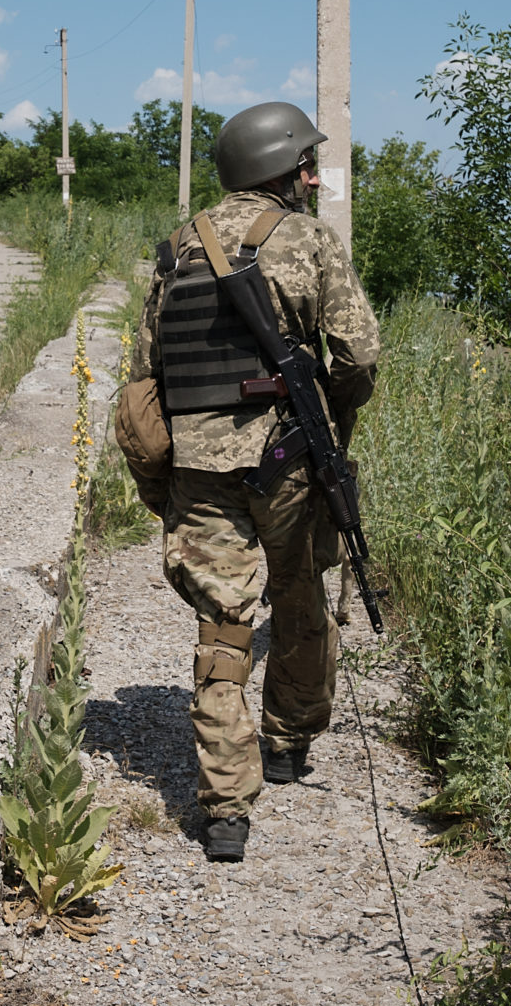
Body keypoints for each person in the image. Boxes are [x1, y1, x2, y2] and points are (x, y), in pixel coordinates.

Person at [131, 101, 379, 863]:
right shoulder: (308, 240)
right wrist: (329, 424)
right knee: (299, 594)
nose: (312, 176)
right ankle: (287, 742)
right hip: (291, 460)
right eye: (306, 164)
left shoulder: (177, 249)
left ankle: (226, 808)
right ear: (283, 172)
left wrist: (158, 477)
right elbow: (358, 356)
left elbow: (145, 378)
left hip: (200, 471)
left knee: (223, 625)